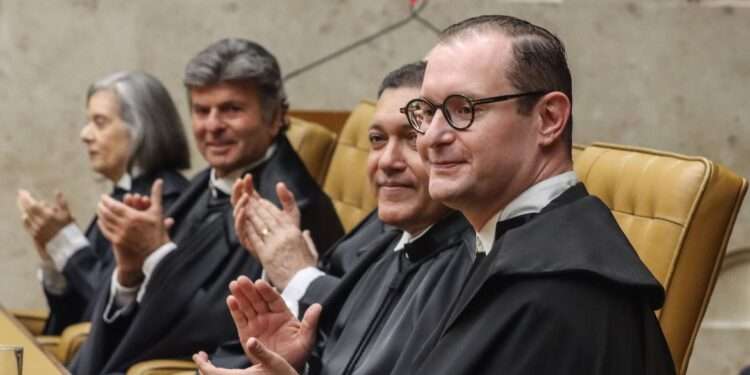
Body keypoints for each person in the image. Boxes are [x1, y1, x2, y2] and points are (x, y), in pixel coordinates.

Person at [391, 14, 676, 374]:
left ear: (549, 119)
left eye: (463, 109)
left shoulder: (561, 293)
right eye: (427, 112)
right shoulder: (496, 246)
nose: (431, 137)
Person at [69, 38, 343, 374]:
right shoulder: (205, 181)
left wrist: (155, 257)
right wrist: (129, 271)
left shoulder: (287, 208)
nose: (212, 126)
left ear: (275, 118)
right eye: (201, 110)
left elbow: (226, 330)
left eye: (231, 109)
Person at [193, 62, 473, 375]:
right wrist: (293, 362)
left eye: (411, 137)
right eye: (377, 140)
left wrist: (298, 274)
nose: (387, 162)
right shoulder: (399, 233)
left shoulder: (471, 262)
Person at [17, 71, 190, 335]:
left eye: (99, 122)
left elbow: (113, 306)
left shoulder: (164, 201)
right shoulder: (122, 194)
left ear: (140, 129)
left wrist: (66, 243)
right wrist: (53, 258)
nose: (85, 135)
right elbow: (76, 315)